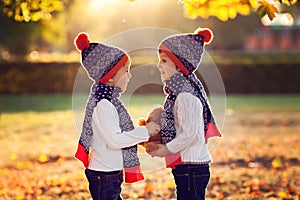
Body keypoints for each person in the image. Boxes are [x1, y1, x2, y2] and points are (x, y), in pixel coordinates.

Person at [74, 32, 160, 200]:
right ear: (110, 77)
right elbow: (115, 140)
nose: (129, 75)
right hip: (103, 175)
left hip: (109, 172)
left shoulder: (109, 101)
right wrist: (144, 131)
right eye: (126, 70)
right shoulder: (103, 105)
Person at [149, 28, 222, 200]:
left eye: (164, 60)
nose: (159, 65)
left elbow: (188, 135)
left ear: (179, 65)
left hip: (192, 167)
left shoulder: (185, 96)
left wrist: (165, 150)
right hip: (188, 166)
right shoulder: (179, 94)